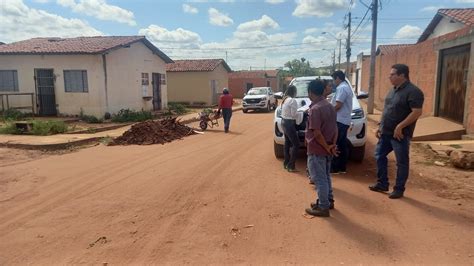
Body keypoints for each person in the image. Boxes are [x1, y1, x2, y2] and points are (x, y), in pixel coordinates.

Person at [369, 64, 424, 199]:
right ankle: (382, 183)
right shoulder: (392, 90)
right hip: (386, 132)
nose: (389, 77)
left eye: (392, 74)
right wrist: (380, 125)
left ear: (402, 75)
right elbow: (387, 109)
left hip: (400, 135)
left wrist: (400, 126)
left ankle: (399, 189)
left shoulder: (413, 92)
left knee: (401, 161)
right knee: (379, 156)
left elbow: (417, 112)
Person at [305, 79, 338, 217]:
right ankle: (327, 201)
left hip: (317, 148)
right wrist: (332, 146)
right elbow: (335, 128)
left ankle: (323, 207)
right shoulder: (329, 106)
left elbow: (317, 133)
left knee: (319, 178)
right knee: (325, 176)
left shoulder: (315, 109)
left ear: (310, 92)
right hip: (328, 147)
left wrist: (325, 146)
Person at [330, 70, 353, 174]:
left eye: (334, 79)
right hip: (343, 120)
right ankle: (342, 167)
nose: (334, 82)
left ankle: (336, 167)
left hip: (340, 120)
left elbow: (338, 105)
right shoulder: (345, 87)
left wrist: (328, 112)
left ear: (338, 78)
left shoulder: (342, 88)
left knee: (337, 143)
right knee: (342, 144)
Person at [281, 85, 303, 172]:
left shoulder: (285, 99)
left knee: (287, 142)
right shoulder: (292, 100)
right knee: (296, 144)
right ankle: (291, 165)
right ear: (294, 92)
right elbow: (294, 115)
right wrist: (302, 112)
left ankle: (286, 163)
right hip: (289, 124)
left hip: (284, 122)